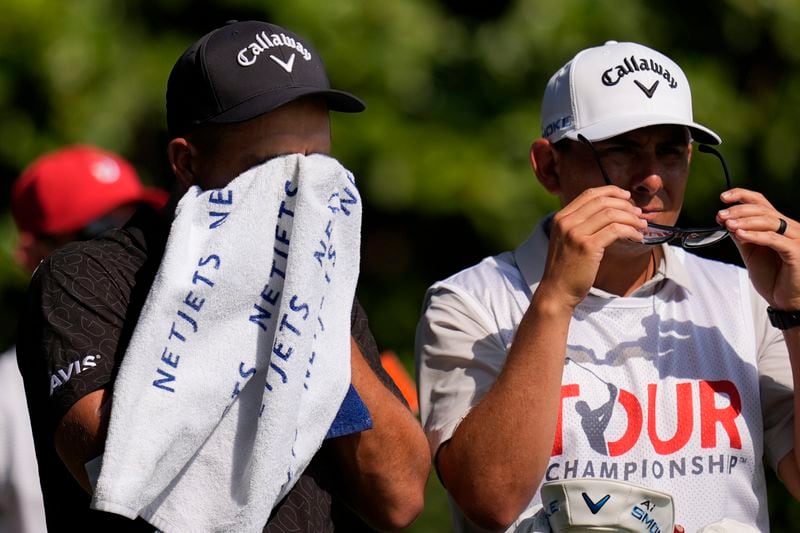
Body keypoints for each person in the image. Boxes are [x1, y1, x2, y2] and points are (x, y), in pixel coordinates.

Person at [16, 20, 429, 532]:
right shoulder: (88, 278)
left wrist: (308, 311)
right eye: (272, 167)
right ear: (186, 162)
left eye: (316, 163)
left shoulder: (322, 279)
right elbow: (124, 478)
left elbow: (399, 497)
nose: (300, 188)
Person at [416, 40, 800, 532]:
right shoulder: (469, 301)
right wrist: (554, 299)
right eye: (621, 150)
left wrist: (795, 310)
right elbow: (490, 500)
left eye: (669, 151)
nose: (652, 180)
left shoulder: (743, 294)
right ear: (548, 166)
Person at [1, 145, 166, 533]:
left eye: (135, 227)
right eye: (99, 233)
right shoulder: (4, 395)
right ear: (30, 254)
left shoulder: (185, 348)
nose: (121, 252)